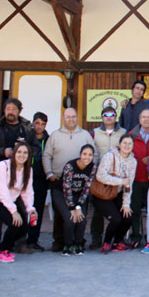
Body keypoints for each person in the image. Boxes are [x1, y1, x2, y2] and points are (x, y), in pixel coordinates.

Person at [0, 97, 39, 255]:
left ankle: (18, 245)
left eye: (13, 109)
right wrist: (3, 152)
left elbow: (36, 148)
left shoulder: (27, 128)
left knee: (21, 211)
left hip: (20, 176)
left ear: (19, 111)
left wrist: (24, 152)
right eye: (7, 109)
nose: (10, 112)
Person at [42, 108, 96, 252]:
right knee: (61, 214)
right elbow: (46, 155)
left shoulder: (85, 135)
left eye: (73, 116)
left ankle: (77, 241)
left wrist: (90, 171)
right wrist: (49, 173)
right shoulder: (55, 135)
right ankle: (59, 241)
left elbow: (93, 154)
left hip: (79, 181)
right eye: (67, 117)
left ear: (77, 118)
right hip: (59, 180)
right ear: (63, 118)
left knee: (78, 214)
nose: (70, 119)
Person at [0, 142, 37, 263]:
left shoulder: (28, 170)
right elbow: (2, 191)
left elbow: (27, 192)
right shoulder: (3, 166)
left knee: (24, 227)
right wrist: (13, 211)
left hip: (9, 202)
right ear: (14, 153)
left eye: (25, 152)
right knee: (14, 222)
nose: (22, 155)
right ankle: (3, 251)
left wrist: (30, 209)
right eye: (19, 152)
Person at [89, 106, 127, 248]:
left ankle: (117, 238)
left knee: (118, 209)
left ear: (116, 116)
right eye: (106, 115)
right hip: (100, 177)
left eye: (112, 114)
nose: (109, 117)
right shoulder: (94, 133)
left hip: (118, 177)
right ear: (102, 117)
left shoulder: (123, 132)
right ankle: (96, 239)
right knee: (98, 211)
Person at [94, 134, 137, 254]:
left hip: (117, 194)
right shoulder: (109, 156)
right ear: (119, 144)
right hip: (103, 194)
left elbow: (129, 184)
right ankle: (107, 242)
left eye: (130, 143)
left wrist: (126, 203)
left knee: (128, 216)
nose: (127, 146)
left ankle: (118, 241)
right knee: (116, 219)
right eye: (124, 143)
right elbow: (100, 176)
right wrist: (120, 181)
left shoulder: (133, 162)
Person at [127, 109, 149, 248]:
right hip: (135, 179)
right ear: (139, 119)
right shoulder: (131, 135)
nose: (146, 120)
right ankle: (135, 237)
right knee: (134, 211)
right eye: (144, 117)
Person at [53, 144, 96, 256]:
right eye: (84, 154)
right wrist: (72, 207)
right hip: (61, 193)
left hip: (79, 195)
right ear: (80, 155)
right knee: (70, 218)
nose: (87, 157)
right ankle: (67, 244)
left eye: (90, 155)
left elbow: (87, 188)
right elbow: (66, 187)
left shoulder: (92, 167)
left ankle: (77, 244)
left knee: (82, 219)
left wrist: (78, 206)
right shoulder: (70, 166)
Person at [25, 111, 49, 252]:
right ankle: (21, 239)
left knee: (38, 209)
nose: (39, 126)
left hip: (41, 179)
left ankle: (33, 239)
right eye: (37, 123)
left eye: (43, 124)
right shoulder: (27, 138)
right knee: (24, 208)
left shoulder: (49, 139)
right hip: (26, 178)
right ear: (33, 123)